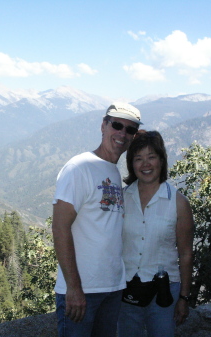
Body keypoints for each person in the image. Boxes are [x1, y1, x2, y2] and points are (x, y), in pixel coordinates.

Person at [52, 103, 143, 336]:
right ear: (103, 125)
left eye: (130, 130)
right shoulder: (79, 168)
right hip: (82, 290)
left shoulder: (113, 171)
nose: (122, 133)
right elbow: (60, 227)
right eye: (117, 125)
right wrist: (73, 287)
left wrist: (144, 138)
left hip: (112, 288)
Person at [118, 130, 194, 337]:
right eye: (138, 159)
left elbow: (186, 254)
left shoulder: (178, 203)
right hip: (125, 291)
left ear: (162, 160)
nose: (145, 164)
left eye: (151, 157)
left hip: (164, 293)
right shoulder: (121, 199)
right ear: (131, 164)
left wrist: (184, 298)